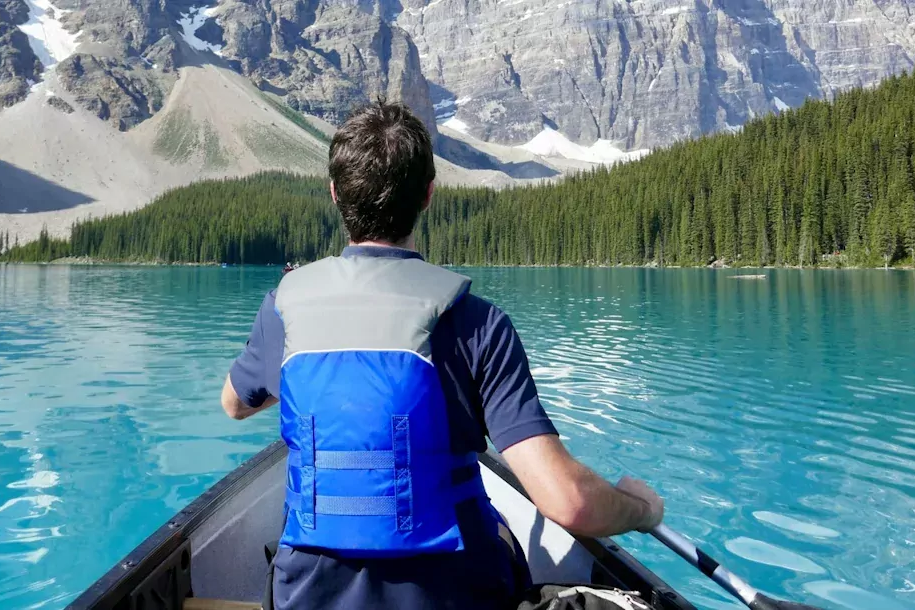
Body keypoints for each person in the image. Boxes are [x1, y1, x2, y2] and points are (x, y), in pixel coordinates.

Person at [220, 100, 665, 610]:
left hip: (309, 595)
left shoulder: (284, 309)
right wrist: (641, 509)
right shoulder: (478, 322)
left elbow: (235, 404)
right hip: (456, 594)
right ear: (429, 195)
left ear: (336, 194)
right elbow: (566, 501)